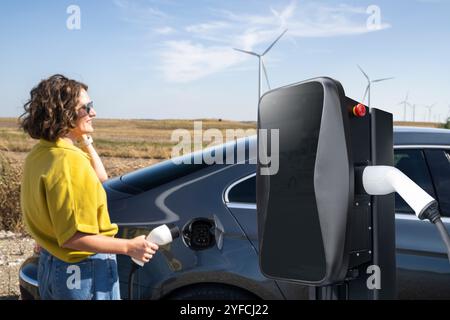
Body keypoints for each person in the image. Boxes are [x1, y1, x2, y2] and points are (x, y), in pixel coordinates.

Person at [19, 74, 158, 300]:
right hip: (82, 271)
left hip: (52, 262)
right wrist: (130, 247)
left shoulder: (41, 153)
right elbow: (74, 238)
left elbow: (100, 177)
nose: (93, 113)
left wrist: (82, 138)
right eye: (86, 107)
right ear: (64, 113)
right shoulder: (69, 162)